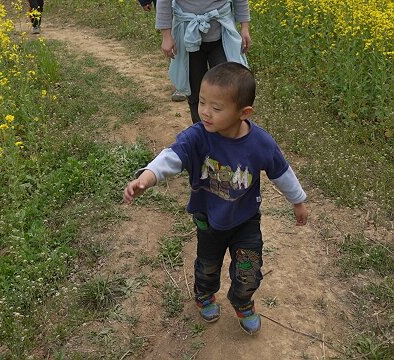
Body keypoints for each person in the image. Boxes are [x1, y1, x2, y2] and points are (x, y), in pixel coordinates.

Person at [124, 62, 308, 335]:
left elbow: (281, 172)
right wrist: (148, 176)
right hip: (207, 218)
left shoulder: (261, 143)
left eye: (217, 108)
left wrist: (298, 201)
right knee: (208, 264)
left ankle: (243, 301)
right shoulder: (198, 136)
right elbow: (172, 156)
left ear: (243, 112)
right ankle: (204, 294)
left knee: (249, 267)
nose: (205, 112)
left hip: (245, 220)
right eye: (201, 102)